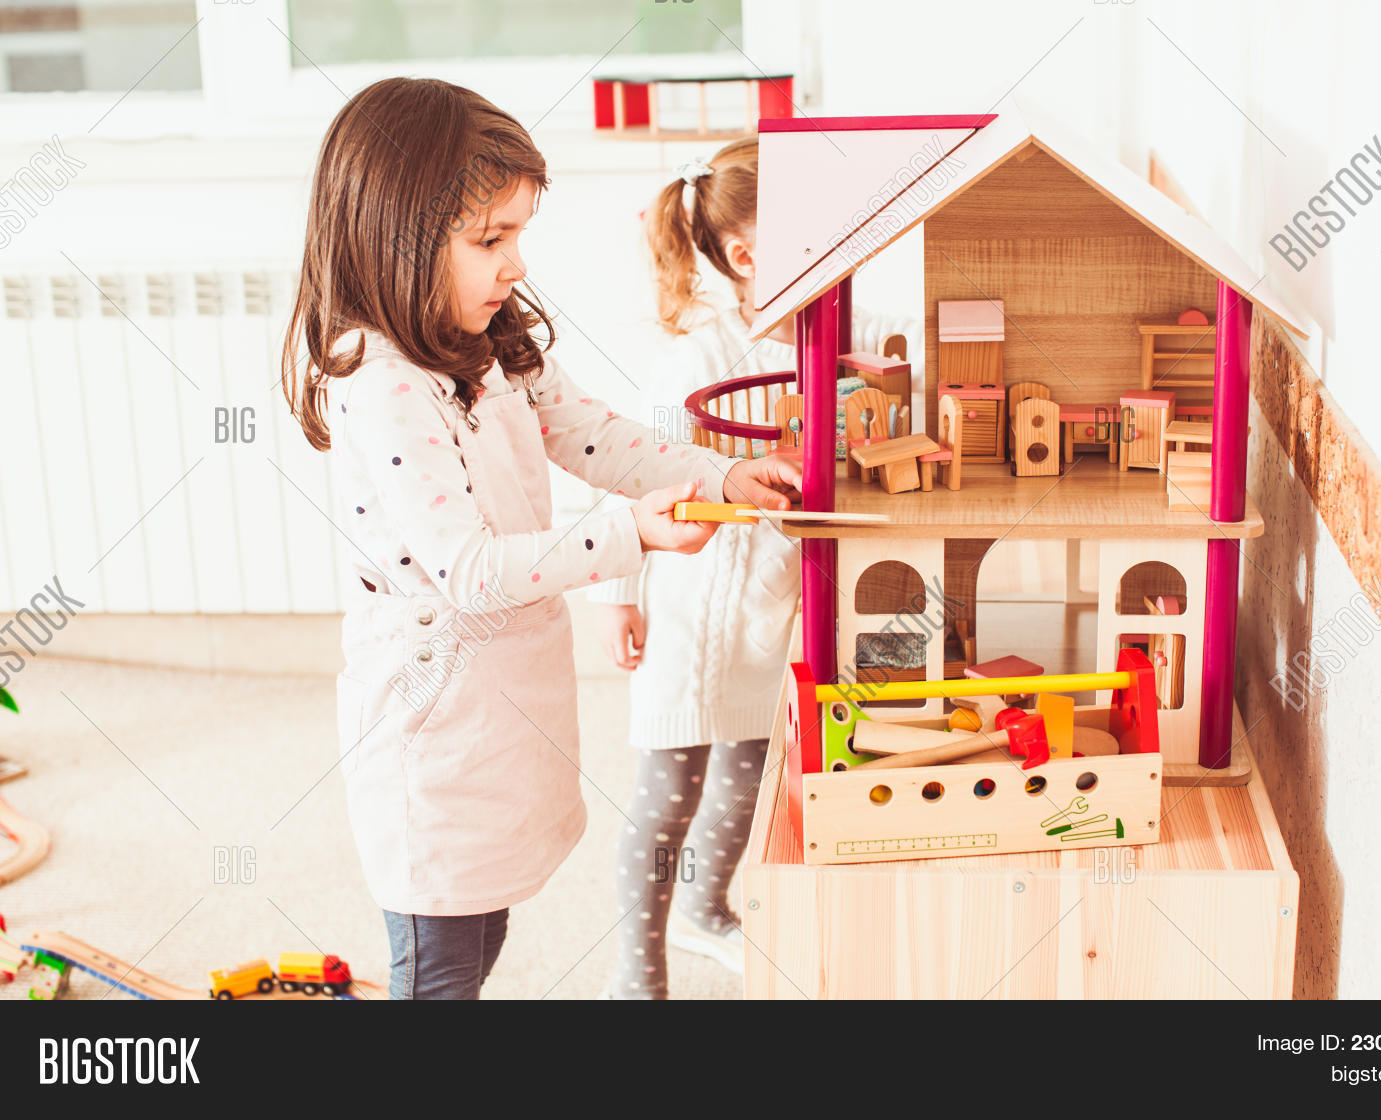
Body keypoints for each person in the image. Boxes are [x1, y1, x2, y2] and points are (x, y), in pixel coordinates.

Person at [280, 78, 802, 1000]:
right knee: (440, 957)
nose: (516, 264)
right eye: (491, 241)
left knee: (481, 926)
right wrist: (631, 535)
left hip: (501, 689)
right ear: (396, 236)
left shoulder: (485, 338)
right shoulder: (385, 382)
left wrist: (717, 474)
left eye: (518, 235)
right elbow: (470, 571)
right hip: (431, 709)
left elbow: (593, 434)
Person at [590, 137, 920, 998]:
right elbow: (635, 472)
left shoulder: (839, 332)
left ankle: (707, 911)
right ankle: (638, 974)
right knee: (668, 791)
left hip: (775, 615)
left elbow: (891, 379)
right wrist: (620, 596)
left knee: (746, 780)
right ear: (746, 256)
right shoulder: (696, 357)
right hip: (693, 613)